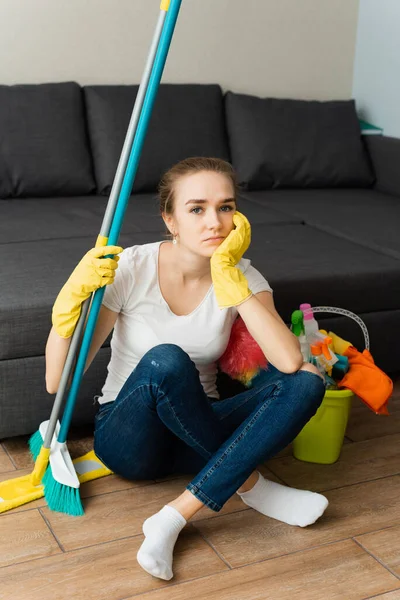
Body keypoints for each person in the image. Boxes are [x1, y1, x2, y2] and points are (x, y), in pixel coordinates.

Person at [46, 157, 328, 582]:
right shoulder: (131, 268)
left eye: (226, 207)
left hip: (194, 433)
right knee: (166, 359)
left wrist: (232, 282)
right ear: (170, 219)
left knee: (308, 380)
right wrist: (67, 307)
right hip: (129, 440)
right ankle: (252, 485)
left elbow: (289, 362)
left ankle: (174, 516)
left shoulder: (243, 275)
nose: (214, 222)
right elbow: (57, 383)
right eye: (196, 209)